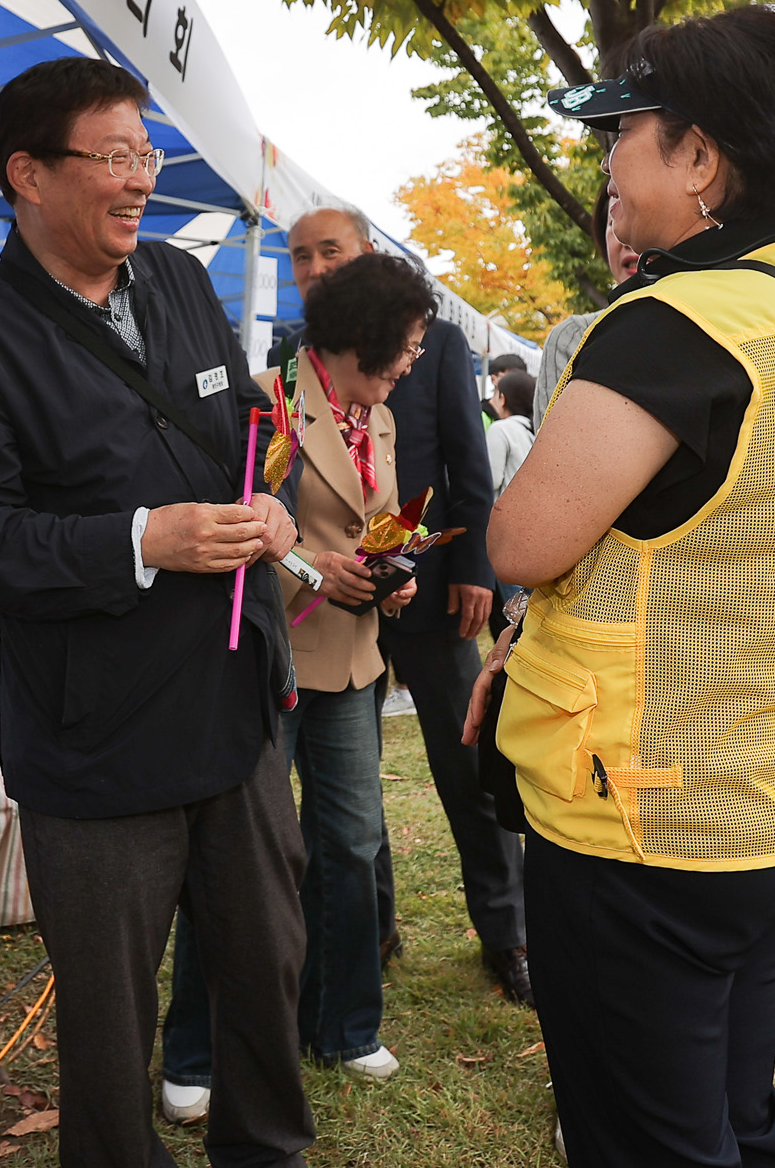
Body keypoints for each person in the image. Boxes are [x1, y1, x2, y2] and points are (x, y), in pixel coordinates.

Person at [466, 5, 775, 1166]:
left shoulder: (664, 324)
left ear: (698, 155)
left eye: (621, 137)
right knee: (735, 1119)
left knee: (646, 1137)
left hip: (640, 817)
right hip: (769, 795)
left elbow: (521, 538)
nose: (607, 164)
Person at [0, 57, 311, 1168]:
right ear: (27, 175)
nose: (140, 179)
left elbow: (240, 436)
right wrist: (143, 539)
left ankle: (266, 1150)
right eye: (115, 156)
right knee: (109, 1023)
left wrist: (266, 510)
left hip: (231, 706)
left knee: (267, 965)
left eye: (149, 154)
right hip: (96, 744)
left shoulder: (181, 282)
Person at [163, 253, 437, 1110]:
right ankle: (196, 1054)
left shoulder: (380, 415)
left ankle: (346, 1023)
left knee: (352, 848)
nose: (413, 361)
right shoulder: (264, 402)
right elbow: (236, 532)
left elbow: (371, 523)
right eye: (407, 344)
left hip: (353, 663)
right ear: (361, 336)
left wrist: (394, 572)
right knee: (235, 855)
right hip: (267, 660)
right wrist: (315, 569)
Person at [276, 203, 523, 1006]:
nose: (316, 266)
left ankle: (507, 931)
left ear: (368, 251)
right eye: (301, 255)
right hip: (330, 611)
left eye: (331, 249)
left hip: (434, 589)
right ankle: (369, 929)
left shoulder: (441, 343)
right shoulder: (290, 366)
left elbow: (466, 456)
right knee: (350, 786)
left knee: (469, 764)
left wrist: (474, 564)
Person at [533, 184, 643, 427]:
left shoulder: (714, 329)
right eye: (613, 221)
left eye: (639, 215)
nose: (624, 237)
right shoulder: (571, 339)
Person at [485, 369, 537, 500]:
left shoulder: (501, 429)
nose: (491, 401)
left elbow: (491, 480)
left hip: (502, 512)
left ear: (503, 399)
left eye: (495, 394)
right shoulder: (532, 431)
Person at [483, 351, 527, 422]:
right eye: (510, 377)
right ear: (494, 379)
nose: (516, 382)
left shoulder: (526, 416)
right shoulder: (480, 416)